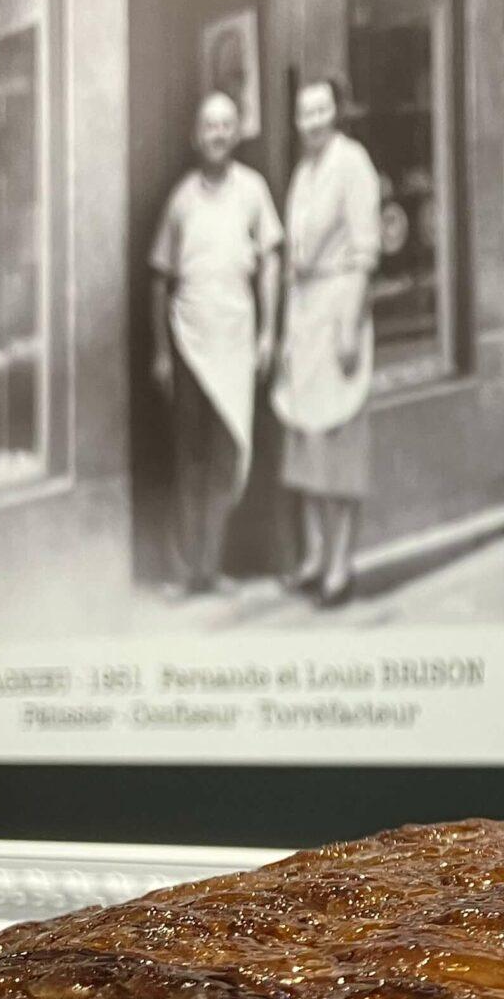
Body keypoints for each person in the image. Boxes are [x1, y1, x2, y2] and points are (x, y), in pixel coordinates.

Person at [149, 90, 282, 596]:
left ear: (238, 132)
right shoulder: (181, 198)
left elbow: (271, 261)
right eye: (210, 125)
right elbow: (158, 277)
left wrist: (268, 332)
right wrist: (162, 352)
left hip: (235, 342)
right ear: (195, 136)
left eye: (227, 124)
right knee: (190, 457)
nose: (219, 134)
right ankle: (189, 572)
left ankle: (213, 565)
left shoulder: (253, 190)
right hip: (189, 342)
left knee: (228, 458)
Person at [271, 75, 382, 606]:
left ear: (336, 111)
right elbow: (295, 259)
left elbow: (364, 252)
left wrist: (349, 327)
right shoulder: (303, 172)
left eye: (321, 110)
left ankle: (342, 565)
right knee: (306, 444)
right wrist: (286, 333)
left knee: (339, 443)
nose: (313, 121)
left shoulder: (352, 163)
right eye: (304, 113)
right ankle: (316, 555)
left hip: (339, 306)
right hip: (304, 312)